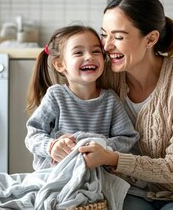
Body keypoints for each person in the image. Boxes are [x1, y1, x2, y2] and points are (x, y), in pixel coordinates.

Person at [76, 0, 173, 210]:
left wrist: (112, 158)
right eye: (105, 35)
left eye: (119, 37)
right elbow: (66, 86)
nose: (107, 46)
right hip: (126, 190)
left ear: (150, 39)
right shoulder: (107, 75)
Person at [25, 25, 139, 171]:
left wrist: (102, 147)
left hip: (97, 177)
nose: (89, 57)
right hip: (59, 174)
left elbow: (127, 138)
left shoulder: (110, 100)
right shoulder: (56, 96)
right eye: (78, 52)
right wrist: (52, 146)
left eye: (96, 51)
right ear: (60, 64)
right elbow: (33, 135)